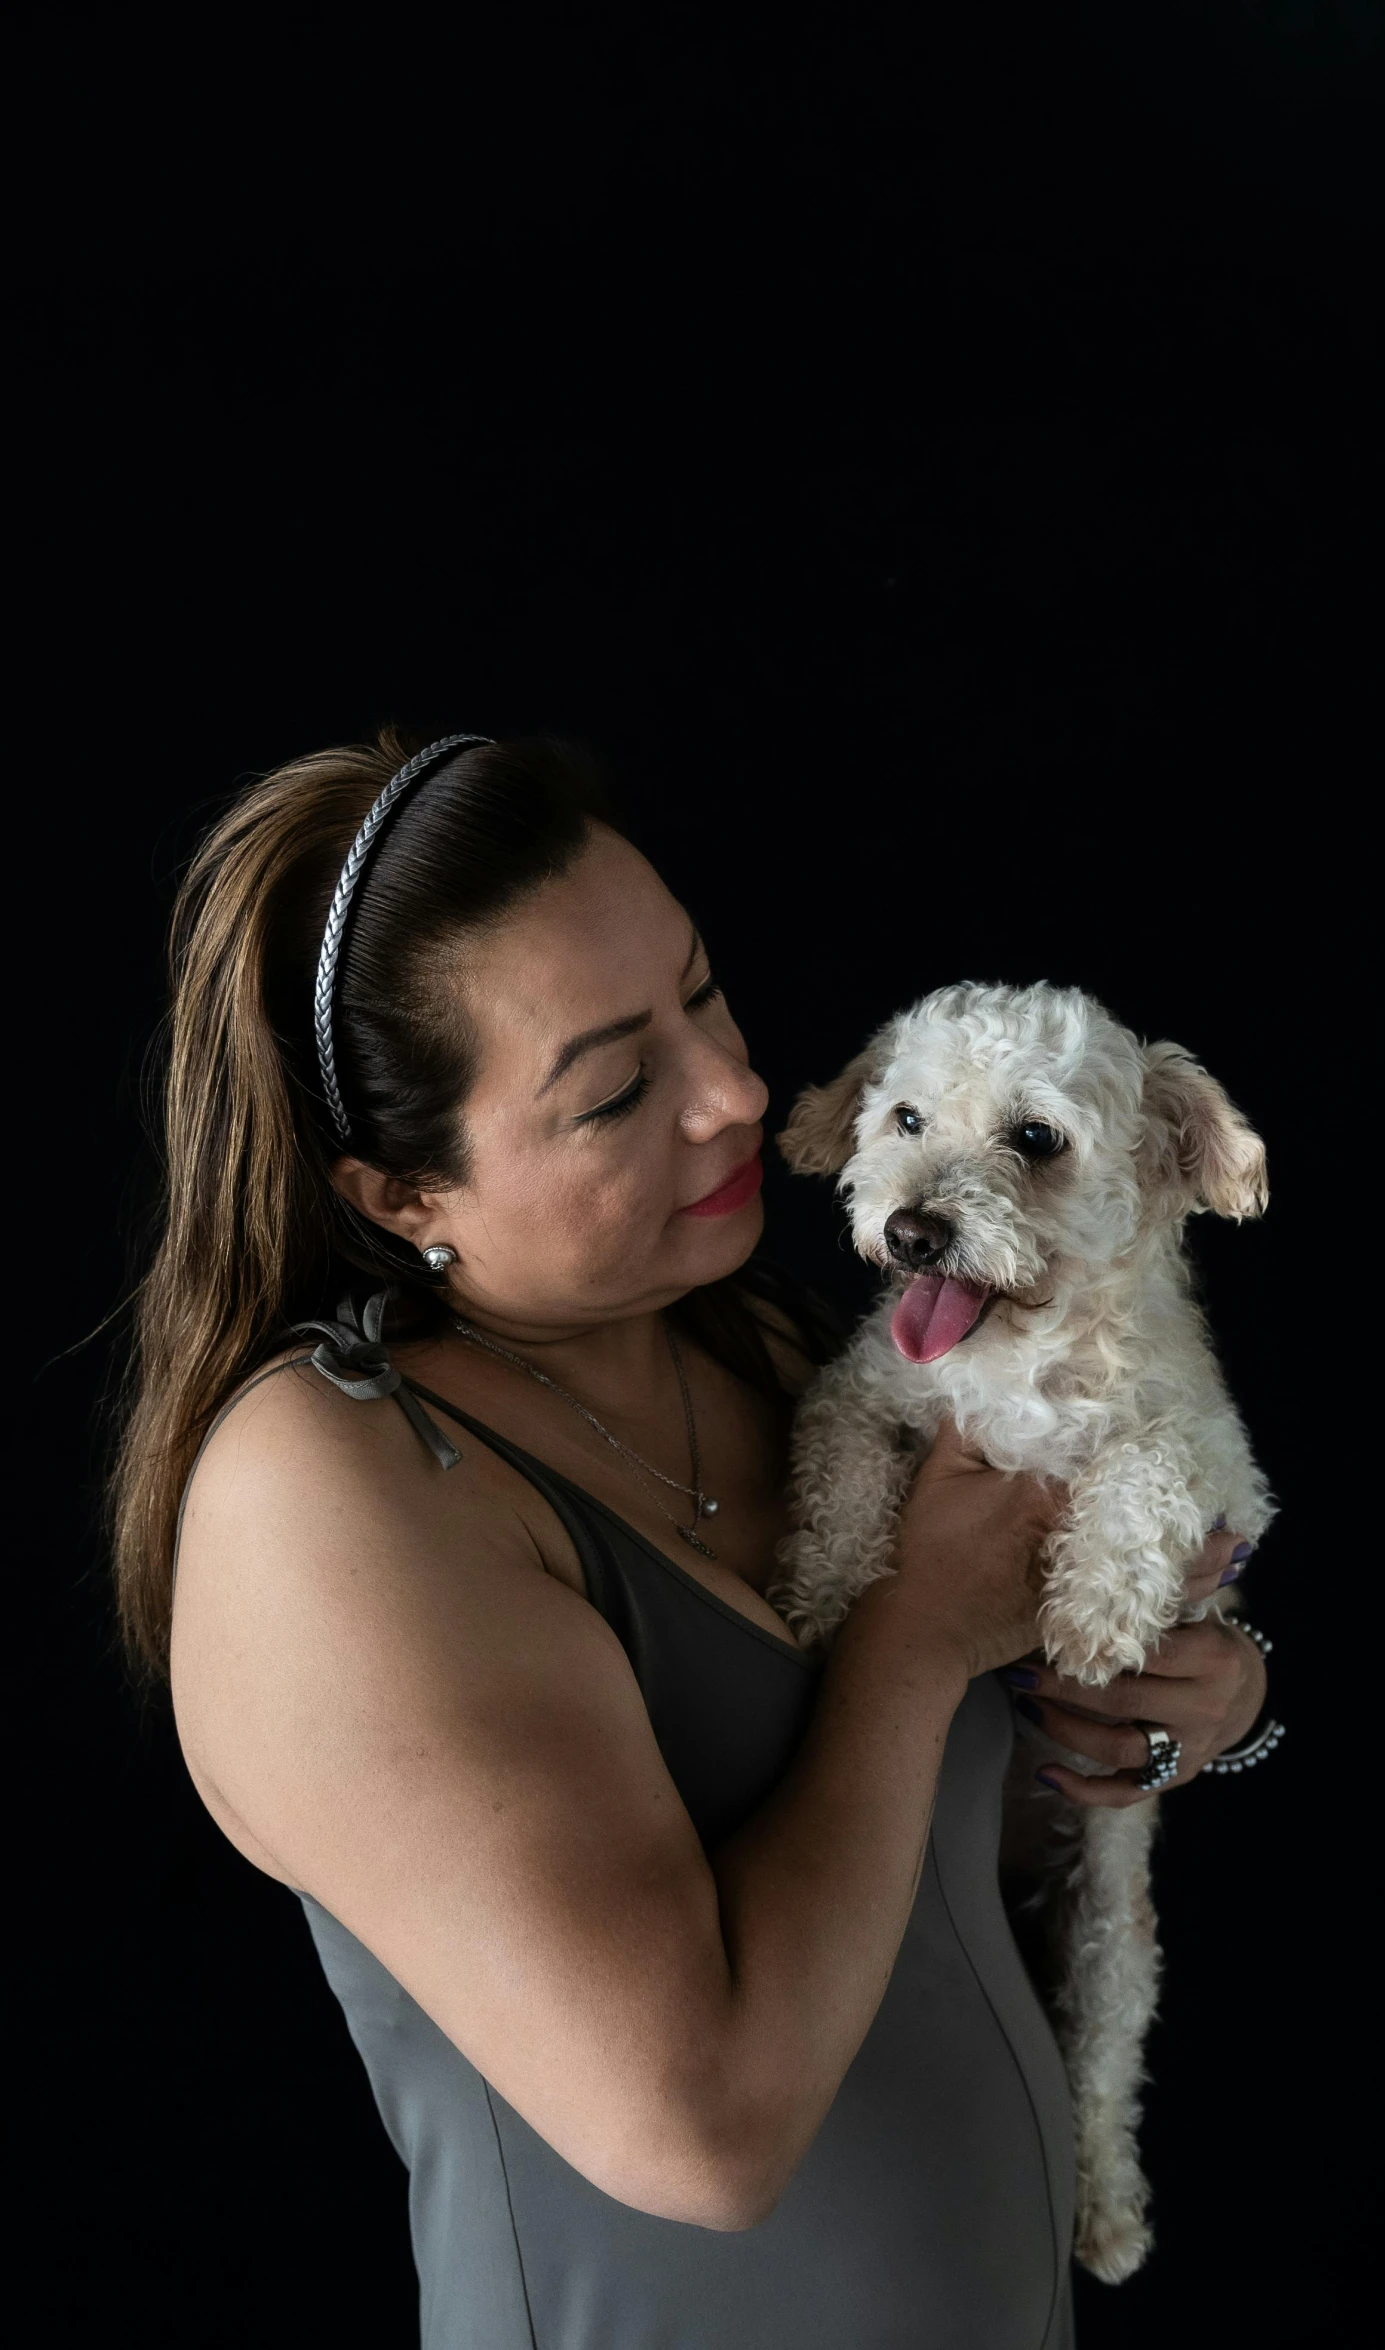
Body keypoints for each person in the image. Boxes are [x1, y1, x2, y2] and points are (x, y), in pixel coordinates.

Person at [113, 731, 1267, 2349]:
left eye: (703, 993)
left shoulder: (785, 1354)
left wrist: (1162, 1713)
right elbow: (701, 2133)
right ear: (397, 1191)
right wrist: (918, 1632)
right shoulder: (329, 1488)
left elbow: (928, 1874)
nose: (735, 1092)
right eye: (612, 1087)